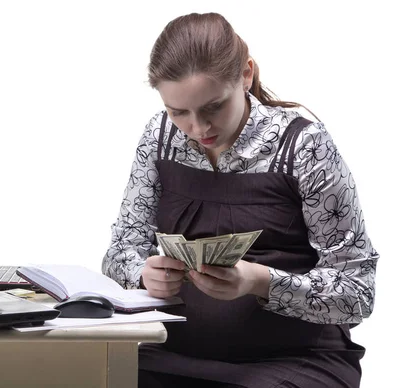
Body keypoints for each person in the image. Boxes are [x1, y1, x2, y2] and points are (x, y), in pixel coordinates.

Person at [101, 12, 379, 388]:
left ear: (245, 74)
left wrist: (260, 282)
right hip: (169, 356)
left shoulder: (304, 147)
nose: (198, 129)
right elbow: (119, 253)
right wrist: (141, 274)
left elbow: (358, 292)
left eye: (213, 107)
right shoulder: (160, 136)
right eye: (178, 111)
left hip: (293, 361)